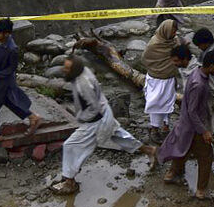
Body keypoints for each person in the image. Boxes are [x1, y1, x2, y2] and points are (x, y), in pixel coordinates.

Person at [51, 55, 155, 195]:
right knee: (120, 137)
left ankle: (69, 182)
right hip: (105, 112)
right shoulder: (83, 72)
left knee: (71, 145)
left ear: (75, 70)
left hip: (96, 119)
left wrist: (83, 119)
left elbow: (93, 109)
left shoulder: (84, 84)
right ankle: (150, 150)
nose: (64, 70)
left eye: (67, 68)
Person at [158, 50, 214, 199]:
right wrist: (204, 131)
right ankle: (201, 190)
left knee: (182, 150)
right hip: (195, 126)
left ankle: (170, 174)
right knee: (206, 156)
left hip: (185, 124)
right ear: (211, 66)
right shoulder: (199, 84)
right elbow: (193, 111)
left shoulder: (195, 73)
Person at [0, 18, 41, 143]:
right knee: (10, 101)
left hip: (1, 81)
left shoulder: (12, 49)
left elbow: (11, 69)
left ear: (6, 34)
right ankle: (33, 117)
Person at [141, 19, 182, 143]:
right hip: (156, 80)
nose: (174, 34)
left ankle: (165, 127)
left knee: (168, 104)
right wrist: (159, 68)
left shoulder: (175, 42)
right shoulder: (154, 44)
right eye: (172, 31)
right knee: (156, 104)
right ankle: (154, 129)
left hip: (169, 80)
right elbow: (145, 59)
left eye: (175, 31)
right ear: (166, 31)